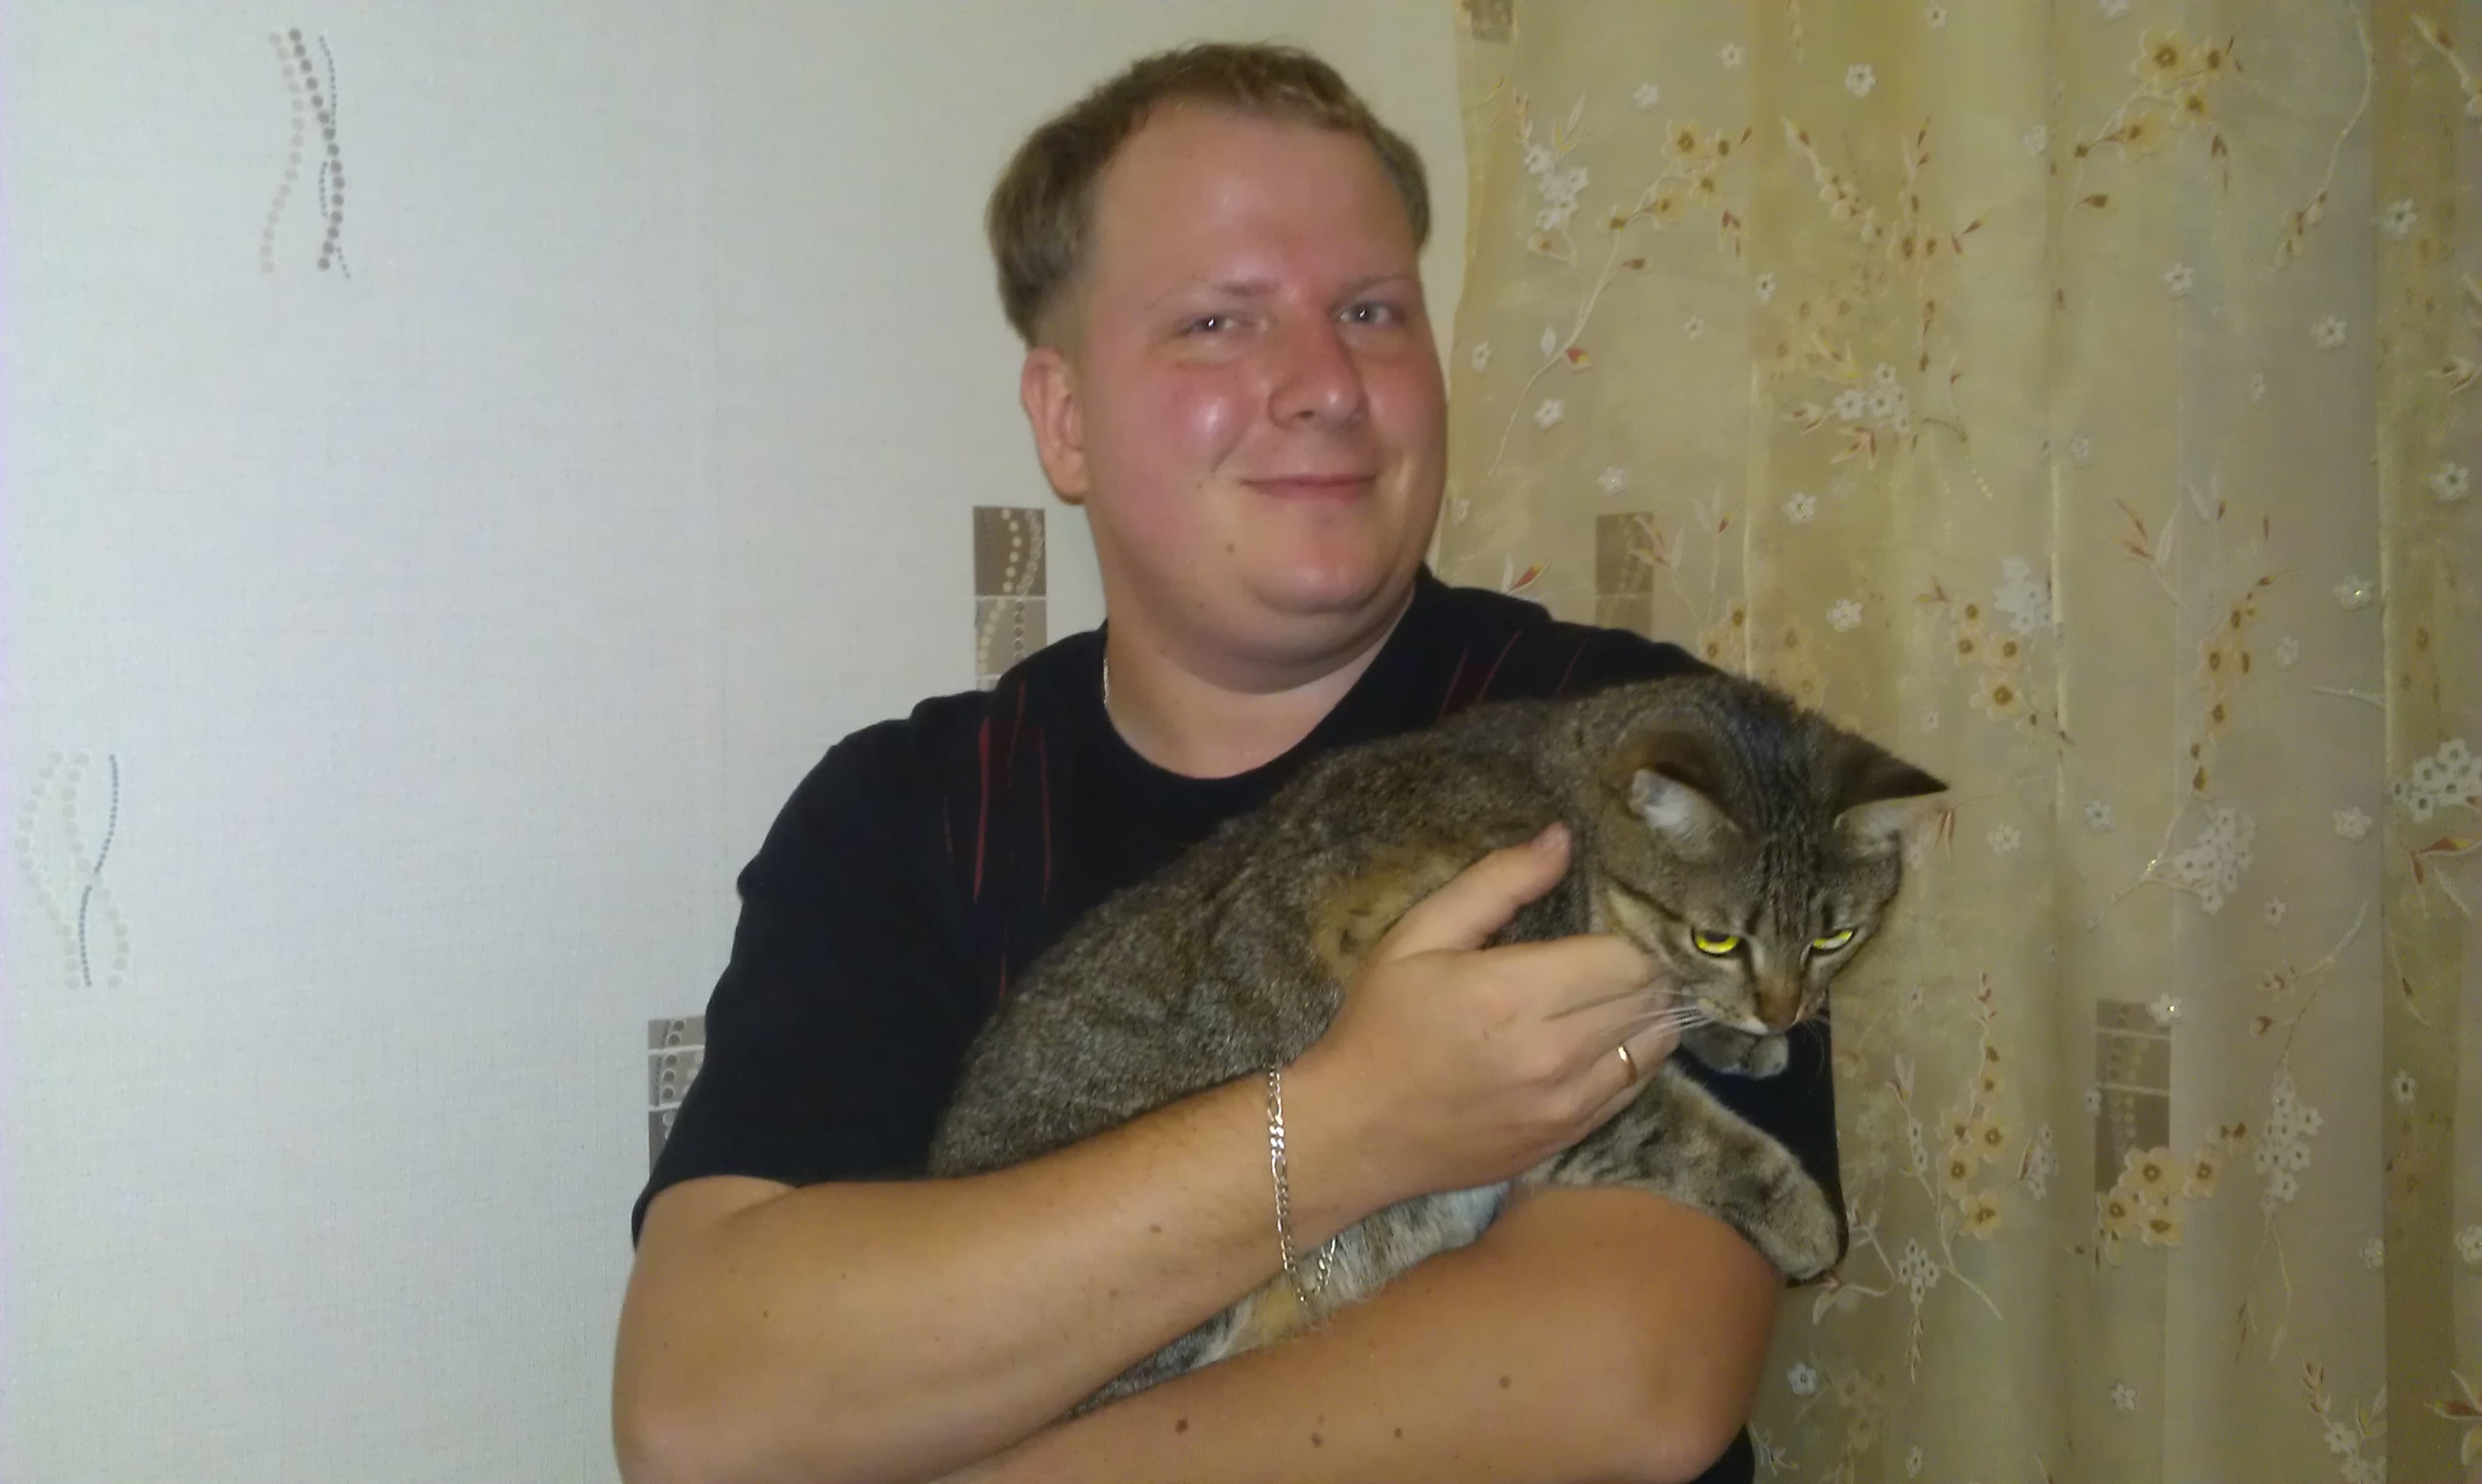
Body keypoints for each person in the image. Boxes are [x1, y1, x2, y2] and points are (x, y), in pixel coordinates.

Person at [611, 42, 1839, 1484]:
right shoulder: (904, 819)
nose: (1327, 384)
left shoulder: (1653, 748)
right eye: (1216, 322)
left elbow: (1629, 1377)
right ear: (1065, 420)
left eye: (1371, 311)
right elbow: (707, 1407)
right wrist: (1351, 1124)